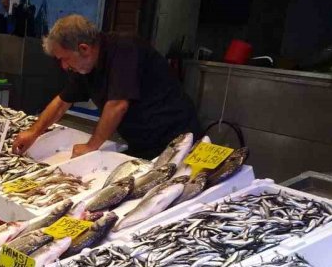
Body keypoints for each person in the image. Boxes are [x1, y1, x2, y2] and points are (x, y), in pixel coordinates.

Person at [12, 14, 201, 160]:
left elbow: (118, 104)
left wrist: (91, 146)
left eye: (64, 58)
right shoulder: (85, 66)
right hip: (142, 141)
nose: (63, 66)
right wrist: (33, 132)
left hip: (177, 137)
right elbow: (62, 102)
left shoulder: (125, 49)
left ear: (84, 48)